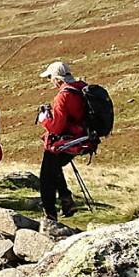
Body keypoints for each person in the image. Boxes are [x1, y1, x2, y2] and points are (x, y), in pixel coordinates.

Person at [37, 61, 86, 221]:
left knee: (46, 177)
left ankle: (50, 216)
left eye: (50, 76)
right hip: (83, 138)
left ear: (57, 78)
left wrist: (44, 119)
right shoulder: (80, 88)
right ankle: (66, 199)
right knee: (54, 168)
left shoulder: (63, 96)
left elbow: (55, 128)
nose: (49, 80)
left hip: (68, 141)